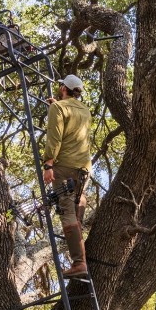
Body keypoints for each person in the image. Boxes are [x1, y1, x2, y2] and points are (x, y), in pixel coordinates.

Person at [43, 74, 92, 277]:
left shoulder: (59, 108)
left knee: (66, 211)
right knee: (77, 206)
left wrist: (48, 164)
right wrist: (56, 106)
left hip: (64, 166)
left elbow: (55, 138)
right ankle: (80, 255)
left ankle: (79, 263)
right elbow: (71, 122)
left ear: (63, 88)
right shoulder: (85, 110)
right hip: (84, 168)